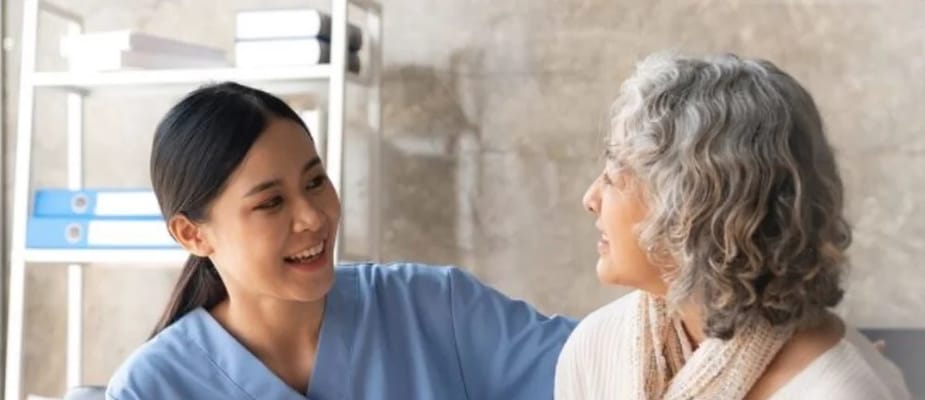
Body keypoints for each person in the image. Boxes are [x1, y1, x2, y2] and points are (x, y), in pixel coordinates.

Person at [106, 82, 576, 400]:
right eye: (271, 203)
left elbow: (612, 362)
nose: (313, 217)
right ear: (192, 234)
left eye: (314, 182)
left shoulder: (433, 307)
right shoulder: (152, 388)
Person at [554, 52, 912, 400]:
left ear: (691, 205)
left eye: (617, 174)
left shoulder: (841, 390)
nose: (590, 198)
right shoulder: (596, 347)